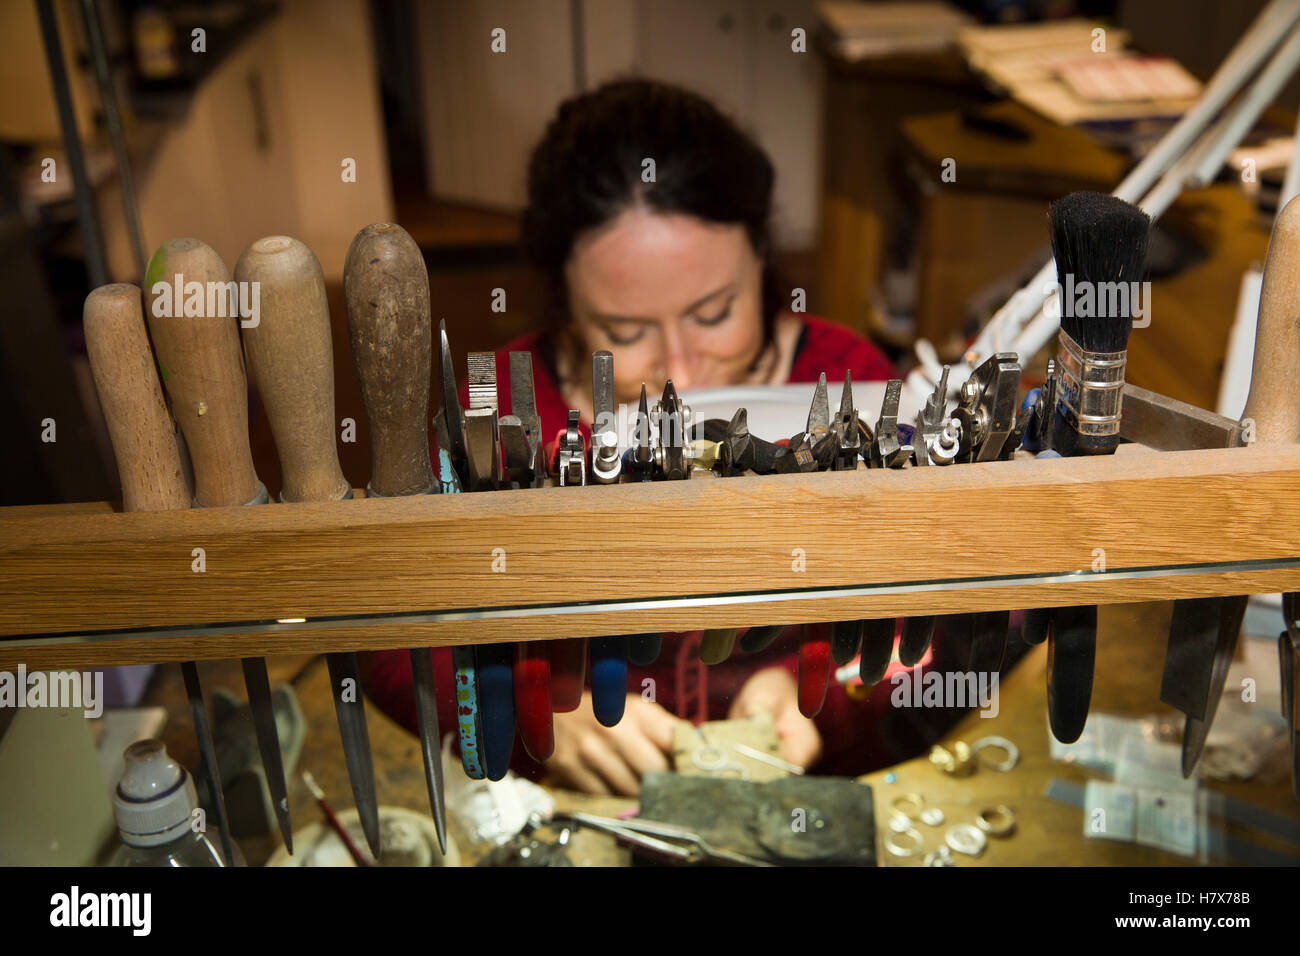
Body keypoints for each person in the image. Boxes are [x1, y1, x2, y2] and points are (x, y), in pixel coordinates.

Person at [363, 79, 965, 796]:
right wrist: (529, 711)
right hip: (578, 812)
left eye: (715, 313)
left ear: (764, 258)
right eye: (623, 333)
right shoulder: (496, 418)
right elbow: (394, 641)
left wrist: (819, 693)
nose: (679, 369)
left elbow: (921, 630)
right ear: (564, 301)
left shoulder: (850, 382)